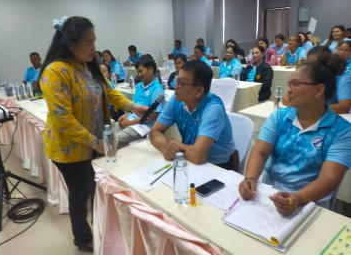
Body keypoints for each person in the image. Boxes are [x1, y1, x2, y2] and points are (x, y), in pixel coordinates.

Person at [39, 16, 148, 253]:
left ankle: (100, 227)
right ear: (71, 44)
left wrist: (132, 106)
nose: (94, 48)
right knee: (80, 192)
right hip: (68, 147)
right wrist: (95, 143)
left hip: (95, 141)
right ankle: (82, 237)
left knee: (92, 187)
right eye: (89, 43)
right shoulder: (55, 72)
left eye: (94, 41)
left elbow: (109, 91)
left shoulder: (90, 64)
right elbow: (63, 119)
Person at [239, 53, 351, 216]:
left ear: (319, 89)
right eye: (289, 84)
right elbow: (260, 152)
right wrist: (250, 178)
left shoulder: (341, 131)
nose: (289, 90)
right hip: (269, 194)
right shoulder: (279, 117)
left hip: (312, 202)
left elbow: (329, 178)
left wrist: (298, 198)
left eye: (296, 84)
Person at [150, 60, 236, 170]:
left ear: (199, 91)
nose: (176, 86)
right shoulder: (177, 99)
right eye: (177, 80)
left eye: (182, 83)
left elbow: (198, 156)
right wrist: (166, 148)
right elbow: (155, 131)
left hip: (217, 167)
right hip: (188, 160)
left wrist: (176, 144)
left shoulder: (213, 108)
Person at [283, 46, 351, 114]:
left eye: (316, 64)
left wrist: (310, 108)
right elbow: (286, 98)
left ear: (328, 62)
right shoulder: (307, 76)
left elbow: (344, 107)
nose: (312, 68)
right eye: (310, 64)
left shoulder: (342, 78)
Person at [116, 55, 165, 148]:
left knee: (113, 140)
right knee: (107, 134)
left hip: (142, 126)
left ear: (151, 69)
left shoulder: (157, 89)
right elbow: (133, 105)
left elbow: (154, 115)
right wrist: (125, 115)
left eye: (141, 71)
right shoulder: (139, 86)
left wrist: (129, 123)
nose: (139, 74)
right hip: (130, 120)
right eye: (138, 72)